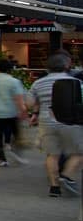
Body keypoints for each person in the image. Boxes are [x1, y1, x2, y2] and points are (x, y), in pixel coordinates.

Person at [30, 53, 83, 197]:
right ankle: (66, 175)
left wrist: (35, 113)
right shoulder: (76, 82)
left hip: (46, 121)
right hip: (70, 122)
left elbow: (30, 102)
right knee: (78, 152)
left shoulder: (38, 83)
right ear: (67, 65)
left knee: (52, 155)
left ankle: (54, 188)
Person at [0, 59, 29, 166]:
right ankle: (15, 152)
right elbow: (19, 99)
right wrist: (23, 111)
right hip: (11, 113)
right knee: (16, 134)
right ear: (10, 70)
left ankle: (1, 159)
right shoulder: (14, 81)